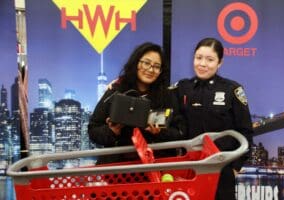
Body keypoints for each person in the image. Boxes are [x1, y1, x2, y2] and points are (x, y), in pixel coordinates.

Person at [173, 37, 253, 200]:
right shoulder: (182, 87)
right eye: (198, 57)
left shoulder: (233, 90)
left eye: (210, 59)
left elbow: (245, 130)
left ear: (219, 63)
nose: (202, 64)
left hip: (221, 169)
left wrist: (235, 168)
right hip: (189, 168)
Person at [88, 42, 185, 163]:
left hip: (155, 165)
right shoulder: (116, 90)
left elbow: (179, 132)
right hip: (119, 167)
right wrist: (112, 131)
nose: (150, 69)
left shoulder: (167, 96)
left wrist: (160, 132)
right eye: (146, 63)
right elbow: (93, 130)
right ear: (136, 63)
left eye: (156, 66)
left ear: (161, 71)